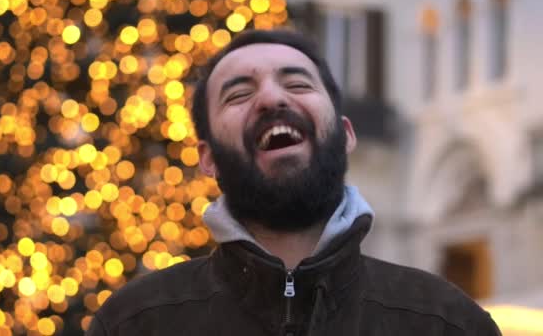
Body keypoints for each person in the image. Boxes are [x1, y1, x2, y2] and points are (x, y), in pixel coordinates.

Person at [87, 29, 501, 335]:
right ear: (208, 159)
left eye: (297, 83)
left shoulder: (448, 323)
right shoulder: (134, 323)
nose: (271, 99)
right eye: (238, 94)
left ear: (345, 136)